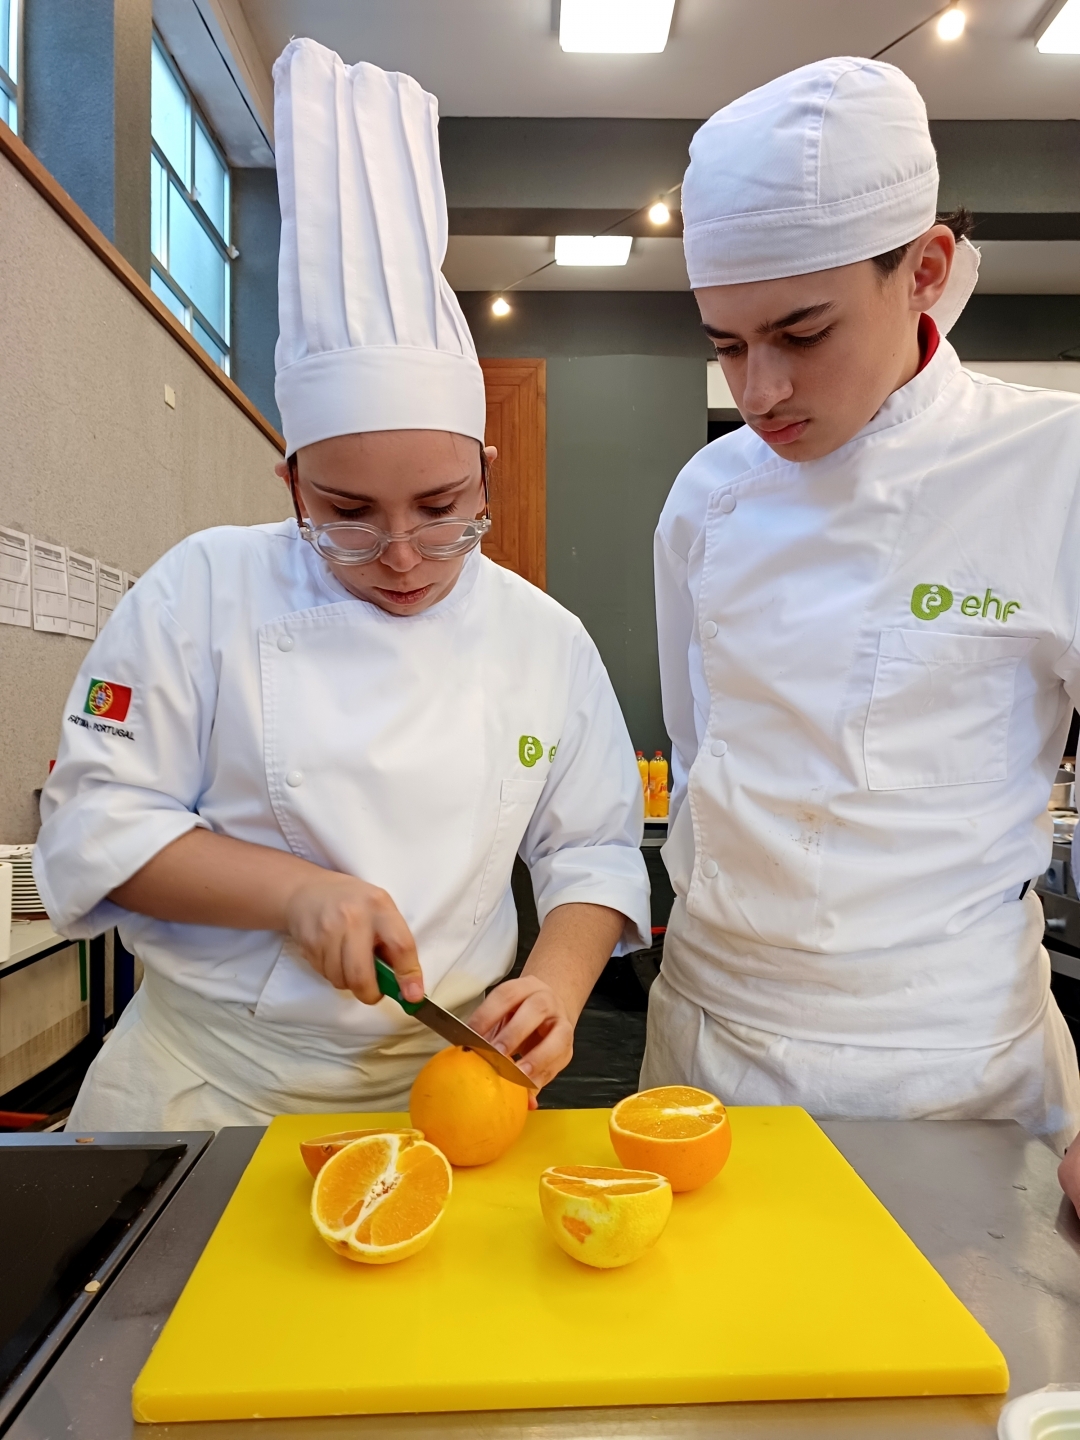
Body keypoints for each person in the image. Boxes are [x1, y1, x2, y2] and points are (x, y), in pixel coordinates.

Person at [34, 39, 649, 1131]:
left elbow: (593, 849)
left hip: (446, 1093)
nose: (402, 556)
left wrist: (555, 987)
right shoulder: (202, 591)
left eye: (443, 508)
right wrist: (296, 893)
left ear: (486, 471)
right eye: (349, 516)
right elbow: (94, 826)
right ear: (291, 483)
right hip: (206, 1084)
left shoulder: (543, 640)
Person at [646, 56, 1080, 1150]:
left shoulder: (1053, 468)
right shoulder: (706, 496)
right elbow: (697, 752)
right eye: (727, 345)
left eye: (802, 334)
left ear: (924, 269)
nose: (759, 392)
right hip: (712, 1039)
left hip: (948, 1066)